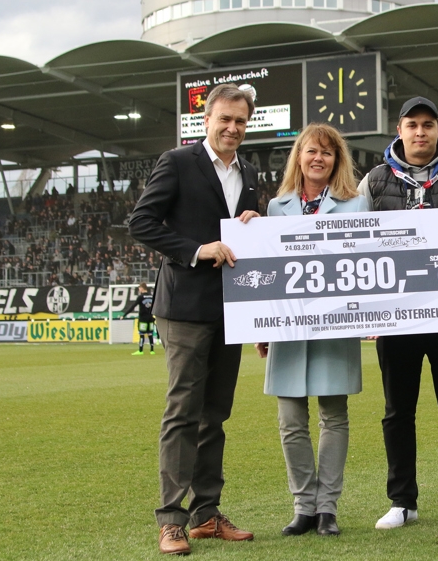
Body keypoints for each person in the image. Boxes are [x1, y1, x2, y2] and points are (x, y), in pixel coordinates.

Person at [128, 83, 260, 555]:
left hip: (233, 307)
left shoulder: (250, 170)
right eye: (224, 119)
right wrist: (195, 250)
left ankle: (206, 514)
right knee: (183, 411)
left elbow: (244, 234)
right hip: (185, 307)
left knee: (215, 415)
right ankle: (171, 520)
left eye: (240, 121)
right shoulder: (178, 162)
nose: (232, 128)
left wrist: (254, 220)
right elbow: (141, 222)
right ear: (206, 120)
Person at [357, 96, 438, 531]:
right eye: (412, 125)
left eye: (428, 125)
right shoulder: (375, 182)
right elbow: (355, 242)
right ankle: (402, 502)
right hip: (397, 318)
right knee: (399, 411)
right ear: (399, 129)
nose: (419, 132)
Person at [255, 123, 369, 537]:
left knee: (333, 416)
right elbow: (267, 271)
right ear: (298, 157)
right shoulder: (275, 207)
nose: (318, 158)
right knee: (290, 420)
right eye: (311, 151)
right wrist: (261, 326)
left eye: (327, 152)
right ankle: (303, 507)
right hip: (288, 328)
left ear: (337, 160)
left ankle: (327, 509)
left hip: (335, 325)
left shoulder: (357, 205)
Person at [124, 283, 156, 355]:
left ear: (142, 288)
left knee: (142, 334)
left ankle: (141, 350)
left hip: (143, 318)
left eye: (139, 288)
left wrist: (124, 315)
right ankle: (152, 350)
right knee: (150, 334)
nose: (139, 289)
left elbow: (133, 306)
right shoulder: (151, 296)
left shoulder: (140, 297)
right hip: (151, 318)